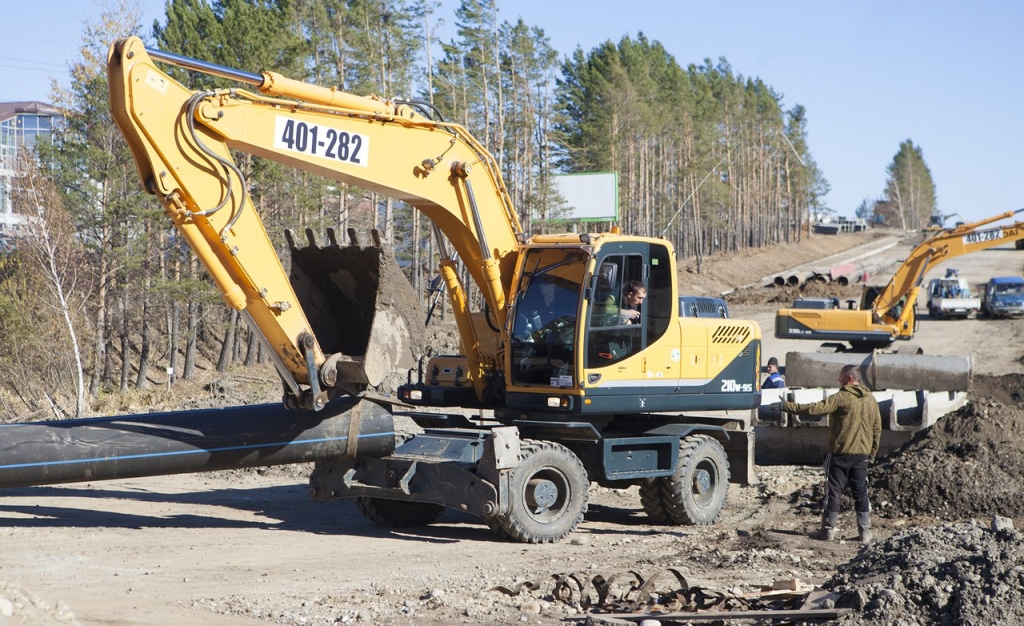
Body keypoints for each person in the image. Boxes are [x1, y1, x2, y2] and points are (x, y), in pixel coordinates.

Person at [779, 364, 881, 543]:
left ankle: (827, 531)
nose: (838, 380)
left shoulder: (841, 398)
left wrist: (786, 406)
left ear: (849, 379)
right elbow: (876, 428)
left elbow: (815, 409)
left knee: (834, 492)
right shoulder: (870, 400)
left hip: (839, 453)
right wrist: (871, 453)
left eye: (840, 377)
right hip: (862, 455)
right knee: (861, 492)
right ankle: (865, 533)